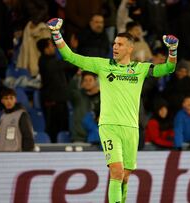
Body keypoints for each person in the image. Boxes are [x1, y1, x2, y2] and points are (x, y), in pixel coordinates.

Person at [46, 18, 178, 203]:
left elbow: (169, 68)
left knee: (125, 176)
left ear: (130, 48)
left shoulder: (139, 69)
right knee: (116, 171)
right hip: (109, 126)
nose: (115, 47)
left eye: (120, 44)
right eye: (114, 43)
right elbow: (70, 56)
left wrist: (172, 50)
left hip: (131, 128)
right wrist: (56, 34)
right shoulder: (102, 65)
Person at [37, 38, 78, 143]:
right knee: (53, 130)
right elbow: (70, 64)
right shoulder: (47, 62)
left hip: (60, 100)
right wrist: (73, 48)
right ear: (45, 49)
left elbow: (70, 68)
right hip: (52, 102)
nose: (54, 47)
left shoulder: (52, 61)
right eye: (51, 45)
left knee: (63, 128)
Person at [0, 87, 34, 152]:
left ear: (15, 100)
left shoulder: (22, 115)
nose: (9, 101)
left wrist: (26, 156)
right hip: (1, 155)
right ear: (2, 101)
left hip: (16, 156)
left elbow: (28, 138)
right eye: (6, 98)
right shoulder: (1, 117)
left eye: (11, 98)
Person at [68, 71, 100, 144]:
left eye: (90, 80)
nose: (87, 82)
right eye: (85, 80)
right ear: (82, 83)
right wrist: (77, 76)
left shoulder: (102, 97)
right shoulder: (78, 97)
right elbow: (70, 91)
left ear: (96, 81)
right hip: (79, 138)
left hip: (97, 138)